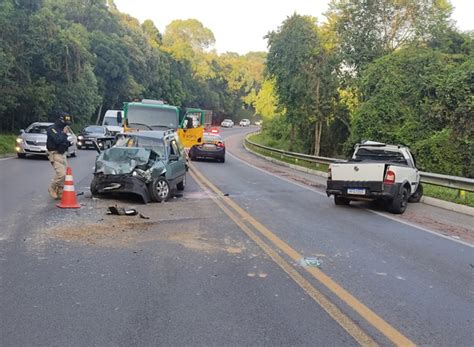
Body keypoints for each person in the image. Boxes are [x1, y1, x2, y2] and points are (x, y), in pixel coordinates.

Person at [46, 113, 72, 199]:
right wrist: (64, 133)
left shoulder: (63, 130)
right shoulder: (52, 129)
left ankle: (60, 192)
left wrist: (69, 143)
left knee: (65, 175)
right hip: (54, 154)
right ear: (60, 120)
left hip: (62, 154)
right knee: (61, 174)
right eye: (65, 122)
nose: (66, 124)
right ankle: (52, 188)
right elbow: (57, 140)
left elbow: (63, 142)